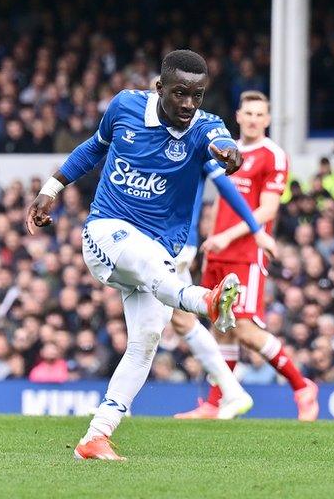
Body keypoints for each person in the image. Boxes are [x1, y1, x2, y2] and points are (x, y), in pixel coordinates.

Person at [26, 50, 247, 461]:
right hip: (105, 234)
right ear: (159, 87)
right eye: (180, 93)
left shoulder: (204, 127)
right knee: (151, 262)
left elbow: (225, 144)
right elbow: (94, 148)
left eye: (197, 95)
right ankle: (207, 301)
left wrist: (231, 154)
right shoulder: (125, 106)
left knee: (145, 340)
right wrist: (51, 189)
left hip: (153, 253)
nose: (188, 104)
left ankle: (95, 437)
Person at [173, 90, 319, 421]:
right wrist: (211, 237)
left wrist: (226, 236)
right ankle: (214, 403)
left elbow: (267, 209)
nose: (253, 119)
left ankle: (301, 386)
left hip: (246, 254)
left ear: (267, 120)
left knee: (243, 328)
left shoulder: (273, 156)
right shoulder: (225, 150)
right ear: (238, 116)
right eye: (248, 113)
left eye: (259, 114)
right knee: (220, 327)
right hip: (218, 251)